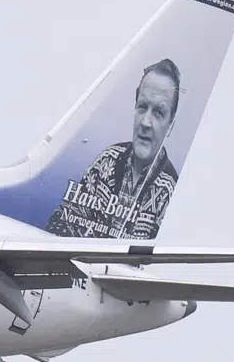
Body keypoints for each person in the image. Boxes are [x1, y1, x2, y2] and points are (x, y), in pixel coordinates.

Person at [45, 58, 181, 239]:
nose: (146, 122)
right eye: (142, 107)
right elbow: (61, 220)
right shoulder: (106, 161)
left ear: (171, 125)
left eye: (158, 113)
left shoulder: (170, 193)